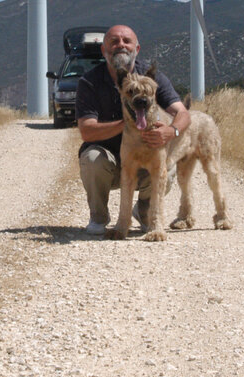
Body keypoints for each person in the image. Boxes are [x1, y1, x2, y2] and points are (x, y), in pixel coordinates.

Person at [75, 24, 190, 235]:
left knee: (167, 166)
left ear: (136, 49)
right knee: (92, 158)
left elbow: (183, 114)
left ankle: (145, 211)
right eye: (114, 41)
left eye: (126, 41)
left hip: (144, 155)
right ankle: (99, 217)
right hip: (108, 158)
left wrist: (171, 131)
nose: (121, 45)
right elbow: (87, 132)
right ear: (103, 50)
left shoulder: (153, 78)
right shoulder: (89, 81)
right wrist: (127, 125)